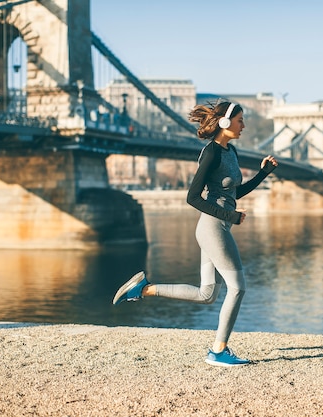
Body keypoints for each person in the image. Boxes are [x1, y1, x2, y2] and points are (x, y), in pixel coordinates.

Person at [112, 100, 278, 367]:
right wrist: (230, 216)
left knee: (208, 294)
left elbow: (234, 193)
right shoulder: (211, 153)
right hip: (212, 227)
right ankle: (218, 350)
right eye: (240, 121)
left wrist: (263, 174)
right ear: (225, 123)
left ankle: (144, 289)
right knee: (237, 288)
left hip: (218, 226)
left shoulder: (230, 151)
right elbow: (192, 197)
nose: (243, 125)